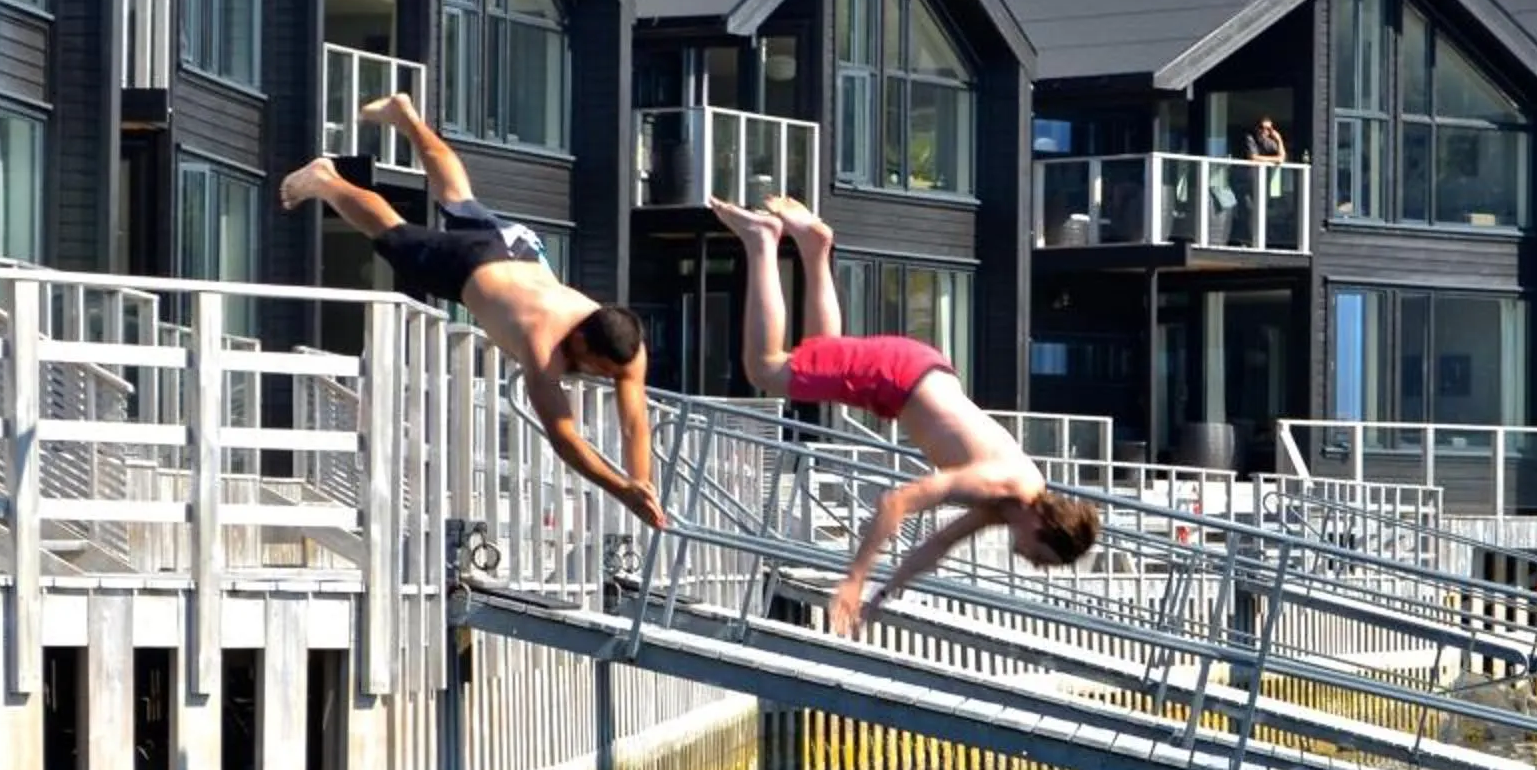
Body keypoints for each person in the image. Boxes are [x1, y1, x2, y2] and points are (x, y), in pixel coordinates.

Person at [711, 193, 1098, 634]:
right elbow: (898, 501)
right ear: (1042, 522)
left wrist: (886, 590)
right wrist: (855, 578)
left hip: (916, 375)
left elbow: (938, 544)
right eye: (1042, 555)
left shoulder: (1011, 500)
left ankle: (815, 248)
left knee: (820, 354)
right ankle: (762, 242)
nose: (1032, 561)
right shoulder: (1001, 485)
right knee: (766, 369)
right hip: (898, 377)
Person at [280, 95, 663, 529]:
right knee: (393, 235)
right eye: (597, 368)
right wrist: (621, 491)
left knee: (457, 196)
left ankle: (407, 119)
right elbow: (565, 438)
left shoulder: (626, 346)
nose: (599, 376)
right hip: (472, 266)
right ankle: (326, 179)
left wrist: (642, 483)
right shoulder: (543, 346)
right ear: (578, 341)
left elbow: (635, 424)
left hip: (517, 246)